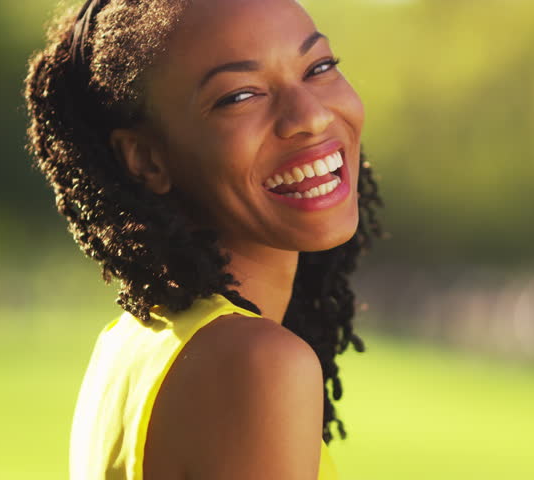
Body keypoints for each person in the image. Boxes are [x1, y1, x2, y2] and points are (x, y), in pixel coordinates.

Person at [24, 0, 382, 478]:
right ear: (146, 159)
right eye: (239, 96)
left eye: (319, 67)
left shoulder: (133, 343)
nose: (311, 116)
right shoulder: (258, 365)